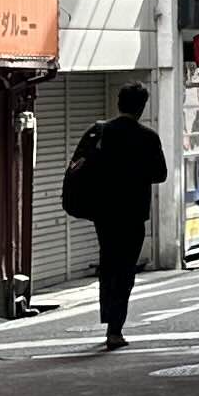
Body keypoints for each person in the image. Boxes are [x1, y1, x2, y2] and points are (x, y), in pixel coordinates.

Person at [61, 81, 168, 348]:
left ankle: (109, 318)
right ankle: (115, 329)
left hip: (104, 212)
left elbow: (78, 167)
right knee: (125, 269)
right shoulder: (148, 137)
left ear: (118, 104)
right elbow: (160, 174)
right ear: (142, 107)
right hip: (133, 213)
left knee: (109, 263)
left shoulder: (100, 132)